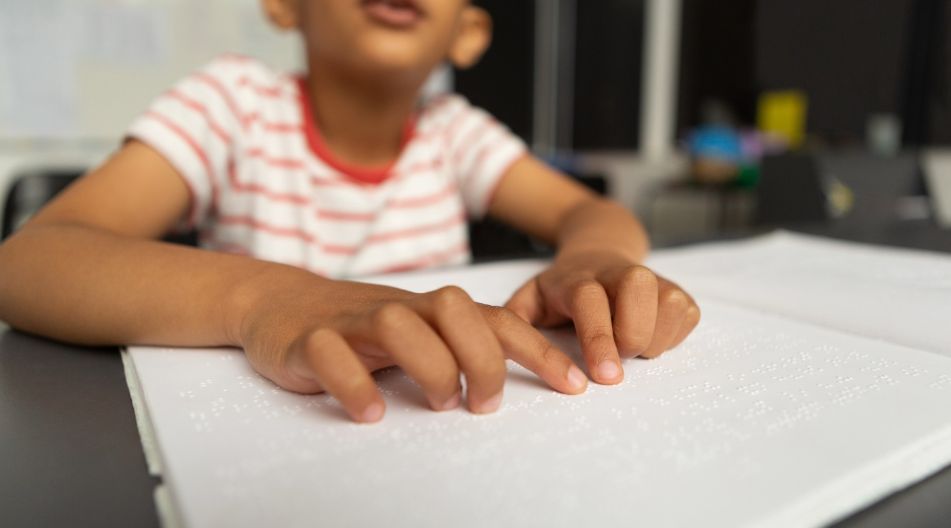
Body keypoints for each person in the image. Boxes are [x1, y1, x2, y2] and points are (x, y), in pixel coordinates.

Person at [0, 0, 700, 423]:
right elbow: (29, 260)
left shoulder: (453, 131)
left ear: (468, 30)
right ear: (283, 4)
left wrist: (591, 260)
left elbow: (592, 213)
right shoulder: (230, 105)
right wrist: (267, 299)